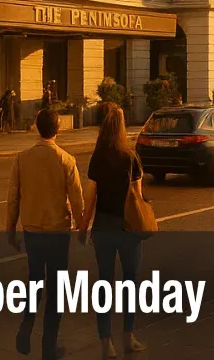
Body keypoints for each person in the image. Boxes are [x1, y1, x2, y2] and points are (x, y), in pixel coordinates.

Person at [7, 108, 85, 360]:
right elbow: (77, 199)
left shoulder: (22, 158)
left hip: (32, 230)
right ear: (57, 129)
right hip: (58, 231)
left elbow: (13, 199)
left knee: (35, 281)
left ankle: (26, 325)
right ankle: (49, 345)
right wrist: (82, 227)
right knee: (57, 288)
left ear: (36, 128)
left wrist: (10, 229)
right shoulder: (66, 160)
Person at [79, 102, 147, 360]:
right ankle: (129, 336)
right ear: (121, 128)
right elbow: (137, 197)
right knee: (130, 282)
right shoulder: (131, 158)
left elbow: (91, 197)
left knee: (105, 283)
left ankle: (106, 341)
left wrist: (83, 226)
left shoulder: (98, 157)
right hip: (128, 228)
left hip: (104, 227)